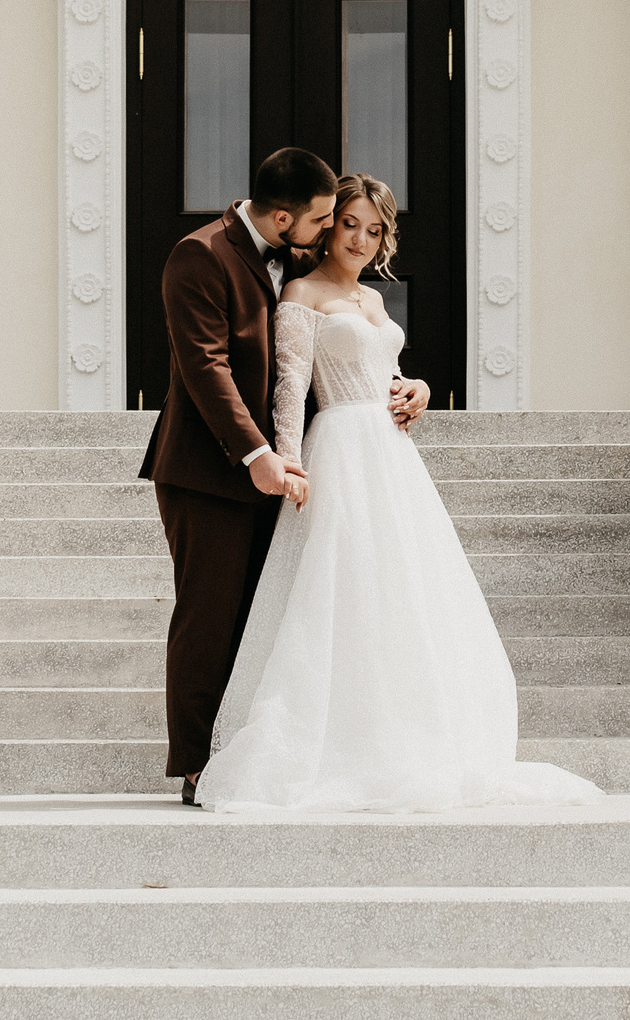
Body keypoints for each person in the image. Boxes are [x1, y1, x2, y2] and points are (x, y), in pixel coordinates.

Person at [195, 174, 602, 813]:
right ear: (329, 224)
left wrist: (419, 389)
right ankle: (337, 741)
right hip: (340, 450)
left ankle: (411, 737)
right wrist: (290, 466)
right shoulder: (300, 294)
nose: (360, 238)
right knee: (344, 590)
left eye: (374, 229)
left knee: (404, 590)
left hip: (392, 458)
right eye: (350, 223)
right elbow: (289, 385)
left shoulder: (375, 304)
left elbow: (387, 374)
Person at [141, 148, 430, 806]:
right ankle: (195, 765)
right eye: (326, 220)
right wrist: (261, 454)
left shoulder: (299, 259)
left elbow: (348, 341)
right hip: (209, 468)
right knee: (210, 616)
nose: (335, 234)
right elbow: (205, 365)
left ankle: (257, 745)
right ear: (282, 218)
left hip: (291, 460)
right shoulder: (200, 254)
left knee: (269, 615)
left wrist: (412, 386)